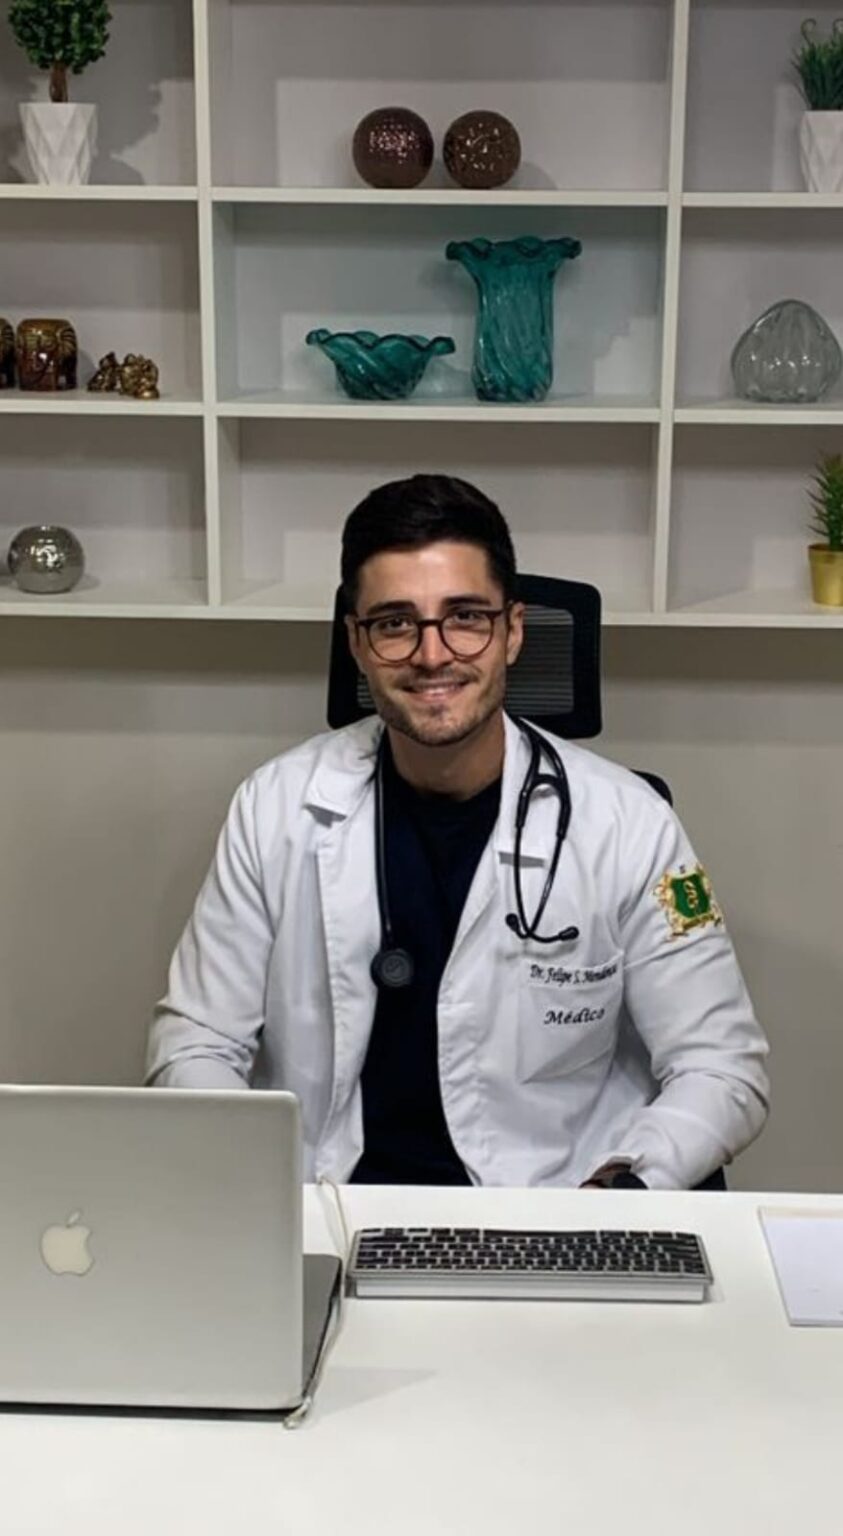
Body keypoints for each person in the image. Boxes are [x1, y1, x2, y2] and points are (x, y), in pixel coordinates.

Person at [146, 474, 769, 1189]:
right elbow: (194, 1041)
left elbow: (721, 1066)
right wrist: (256, 1187)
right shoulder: (275, 808)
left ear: (513, 631)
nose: (432, 653)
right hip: (333, 1206)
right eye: (394, 623)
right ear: (356, 643)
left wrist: (622, 1192)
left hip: (554, 1205)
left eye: (465, 616)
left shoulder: (628, 824)